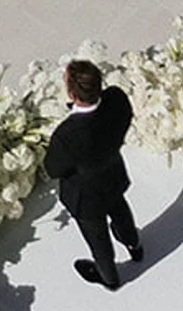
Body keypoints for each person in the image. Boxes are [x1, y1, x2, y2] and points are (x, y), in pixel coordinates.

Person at [43, 57, 142, 290]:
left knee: (98, 240)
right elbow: (125, 119)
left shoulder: (67, 135)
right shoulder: (116, 99)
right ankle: (134, 245)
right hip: (112, 176)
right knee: (120, 209)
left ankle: (110, 278)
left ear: (72, 94)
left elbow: (52, 169)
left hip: (86, 197)